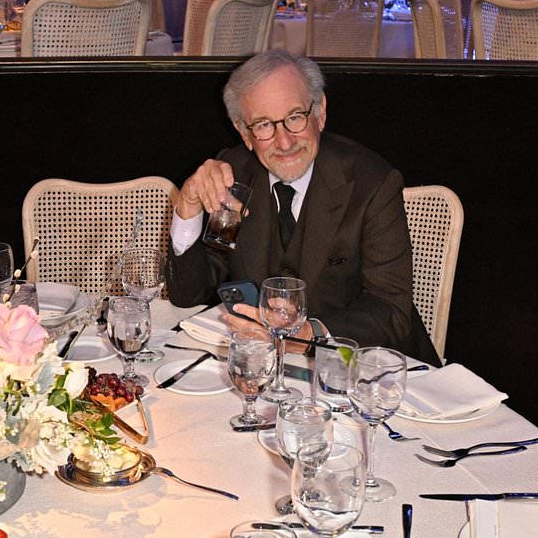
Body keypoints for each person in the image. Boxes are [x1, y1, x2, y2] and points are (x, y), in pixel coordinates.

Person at [166, 50, 439, 364]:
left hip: (362, 370)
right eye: (265, 125)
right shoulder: (235, 175)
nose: (284, 142)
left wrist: (312, 335)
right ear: (246, 133)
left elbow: (391, 308)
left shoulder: (372, 183)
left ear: (320, 112)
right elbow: (190, 293)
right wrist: (188, 205)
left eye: (295, 117)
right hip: (269, 368)